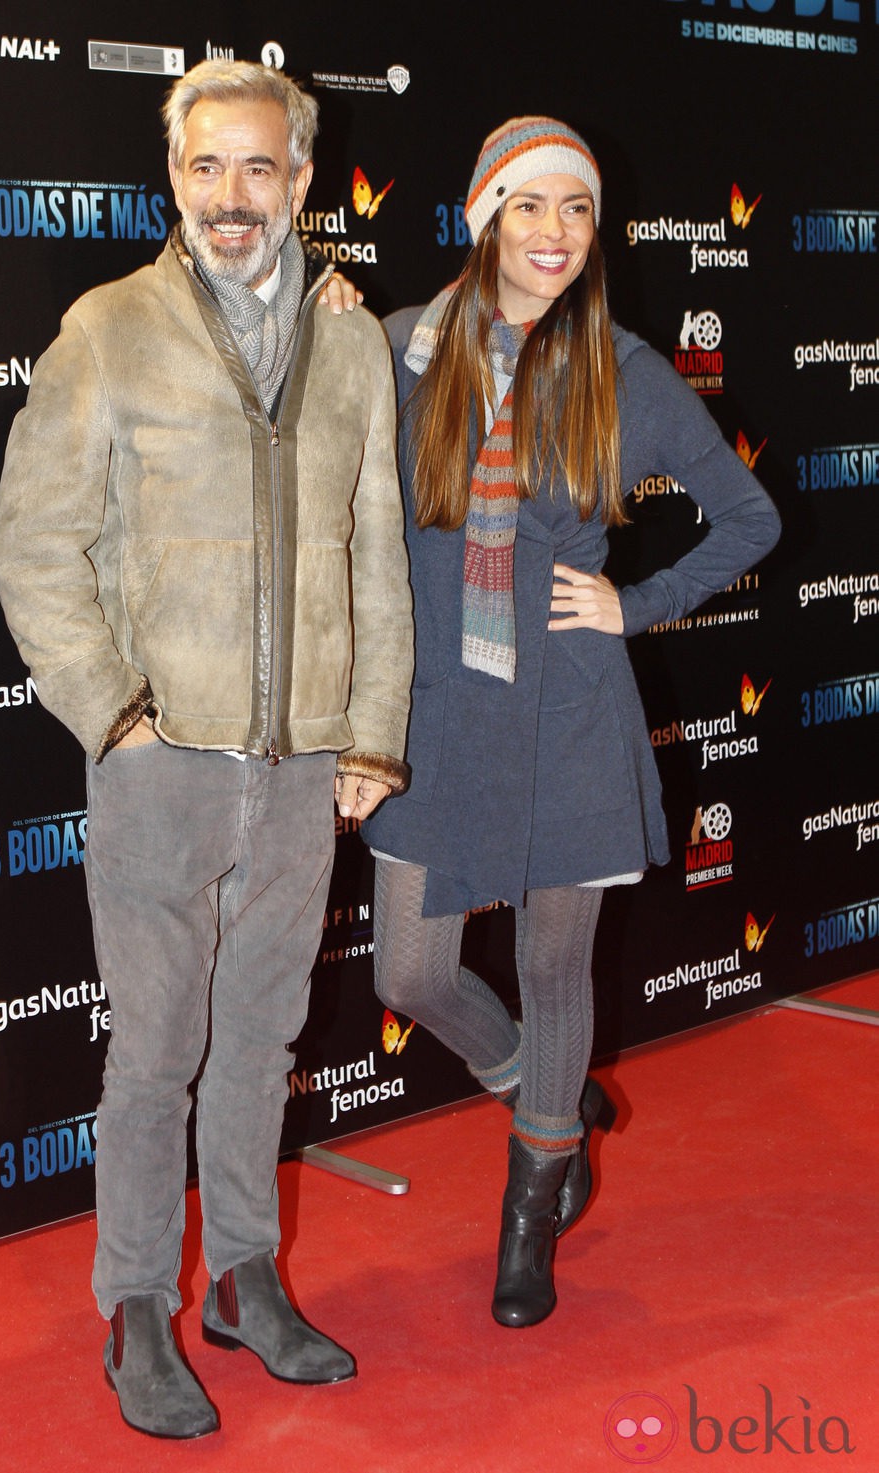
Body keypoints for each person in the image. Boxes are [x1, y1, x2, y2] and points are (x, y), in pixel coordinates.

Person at [0, 59, 413, 1439]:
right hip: (160, 768)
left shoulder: (350, 342)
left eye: (259, 170)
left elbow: (378, 560)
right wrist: (111, 708)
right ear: (173, 180)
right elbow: (37, 544)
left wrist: (372, 735)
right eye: (204, 169)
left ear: (302, 181)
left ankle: (242, 1274)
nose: (232, 199)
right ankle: (134, 1306)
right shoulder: (108, 329)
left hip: (301, 770)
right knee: (157, 1046)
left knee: (262, 1038)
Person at [363, 117, 780, 1330]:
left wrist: (631, 602)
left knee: (553, 966)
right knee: (410, 969)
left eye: (577, 210)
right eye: (530, 205)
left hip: (571, 709)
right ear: (482, 213)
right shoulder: (396, 355)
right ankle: (540, 1093)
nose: (554, 234)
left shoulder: (625, 371)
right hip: (434, 710)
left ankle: (530, 1212)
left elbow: (748, 519)